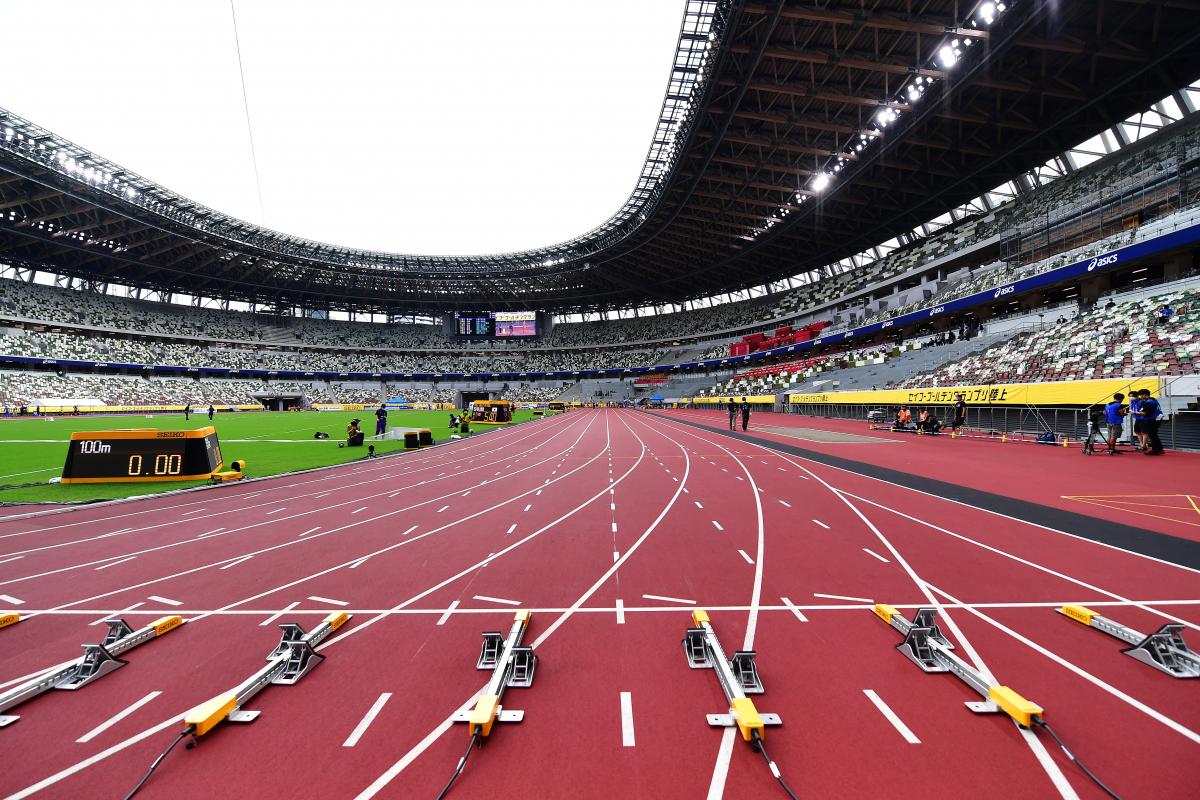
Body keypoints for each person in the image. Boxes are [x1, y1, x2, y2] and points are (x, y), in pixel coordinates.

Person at [1135, 389, 1164, 455]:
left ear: (1145, 395)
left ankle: (1155, 450)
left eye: (1141, 395)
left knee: (1152, 435)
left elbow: (1146, 413)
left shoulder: (1148, 402)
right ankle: (1159, 449)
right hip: (1158, 418)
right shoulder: (1153, 399)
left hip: (1153, 419)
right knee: (1154, 434)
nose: (1140, 397)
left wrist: (1136, 412)